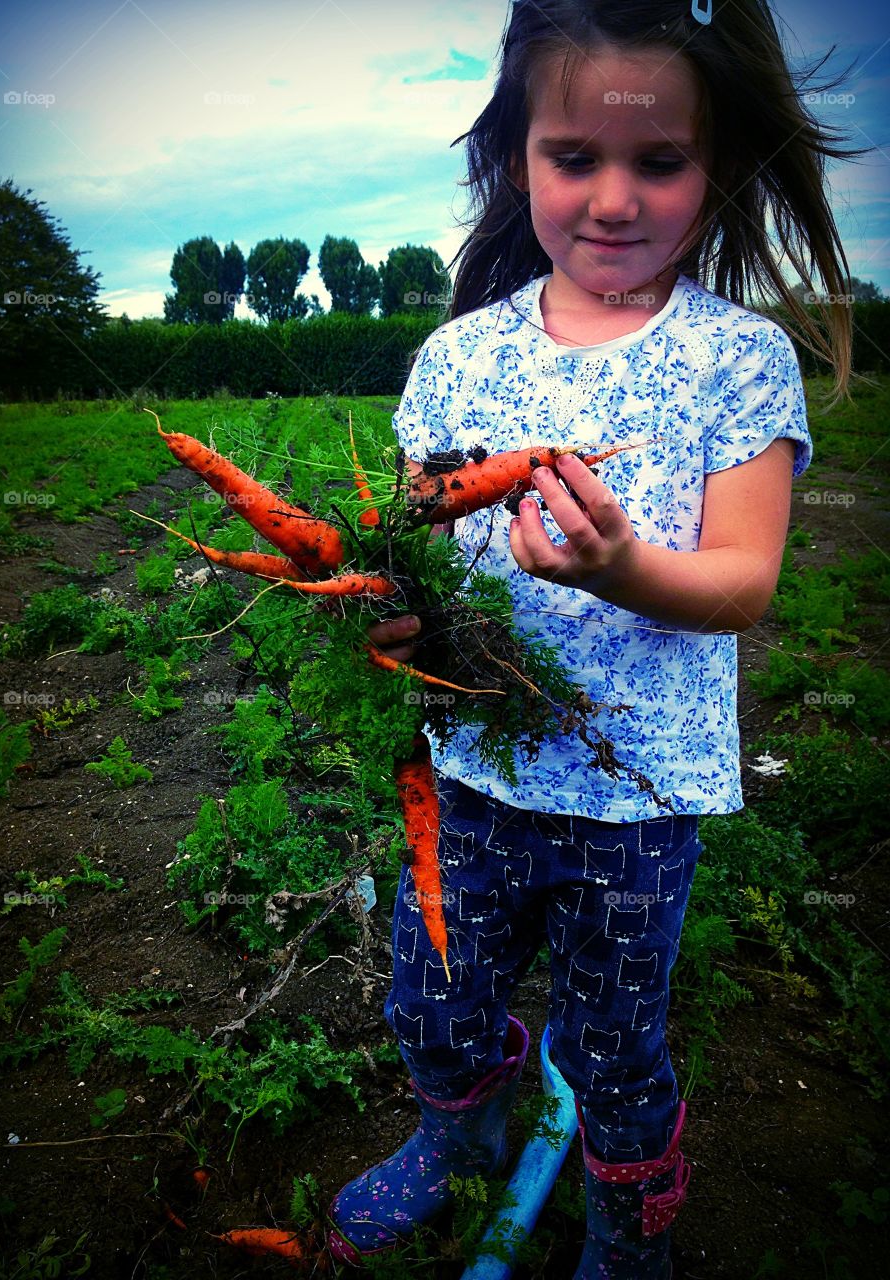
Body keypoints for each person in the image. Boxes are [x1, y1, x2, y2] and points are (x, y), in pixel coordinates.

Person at [328, 2, 858, 1274]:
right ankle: (458, 1135)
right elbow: (414, 559)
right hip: (471, 774)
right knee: (434, 996)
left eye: (659, 161)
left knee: (616, 1048)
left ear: (716, 166)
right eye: (575, 156)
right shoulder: (458, 358)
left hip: (640, 796)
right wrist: (386, 613)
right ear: (517, 156)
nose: (614, 199)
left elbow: (744, 583)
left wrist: (624, 568)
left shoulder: (739, 360)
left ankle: (627, 1232)